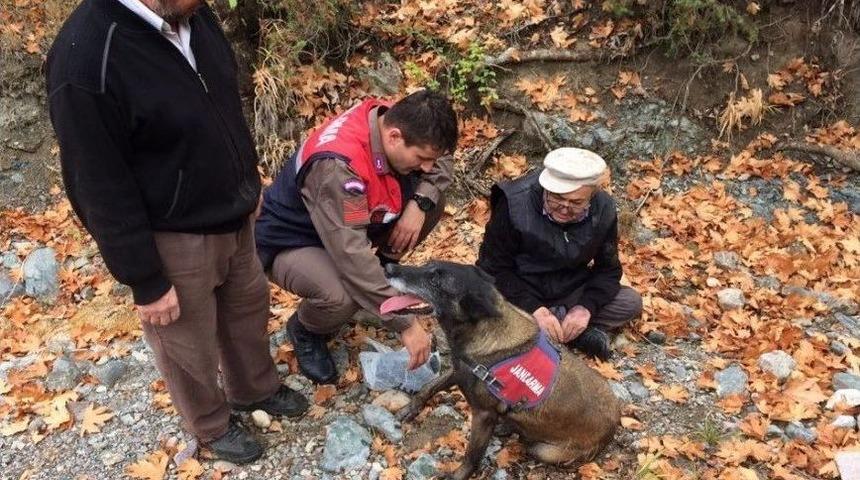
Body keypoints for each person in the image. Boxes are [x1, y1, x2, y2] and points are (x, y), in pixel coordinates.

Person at [46, 0, 308, 464]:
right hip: (172, 233)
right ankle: (210, 422)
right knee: (186, 343)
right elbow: (97, 183)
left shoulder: (192, 15)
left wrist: (248, 179)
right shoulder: (86, 56)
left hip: (235, 211)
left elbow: (224, 103)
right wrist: (145, 279)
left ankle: (254, 389)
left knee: (247, 313)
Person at [255, 90, 457, 384]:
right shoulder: (339, 168)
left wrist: (421, 201)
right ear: (394, 138)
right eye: (422, 158)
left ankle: (378, 284)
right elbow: (351, 254)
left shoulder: (395, 116)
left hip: (346, 225)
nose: (428, 167)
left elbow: (442, 159)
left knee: (432, 201)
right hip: (292, 238)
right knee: (341, 295)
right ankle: (306, 329)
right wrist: (405, 322)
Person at [477, 148, 642, 360]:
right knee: (482, 305)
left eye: (576, 203)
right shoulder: (514, 202)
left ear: (591, 196)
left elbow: (608, 270)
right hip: (520, 288)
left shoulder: (603, 208)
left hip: (569, 288)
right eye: (557, 198)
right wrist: (536, 309)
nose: (564, 208)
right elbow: (492, 268)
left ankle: (551, 331)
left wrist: (585, 308)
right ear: (546, 187)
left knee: (630, 302)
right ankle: (568, 334)